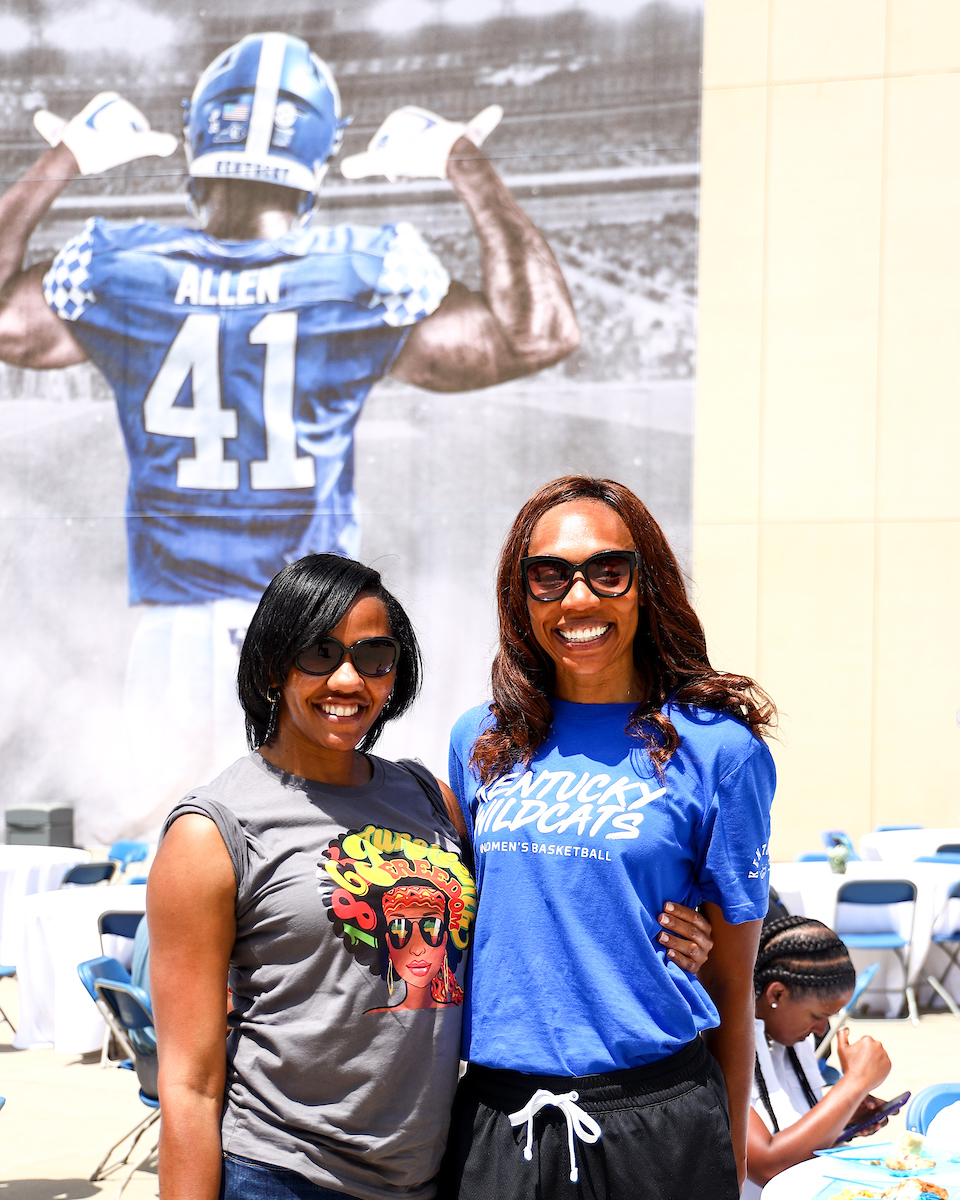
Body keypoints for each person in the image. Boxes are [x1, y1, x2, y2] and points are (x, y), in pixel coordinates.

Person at [0, 32, 580, 834]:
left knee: (175, 853)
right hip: (314, 631)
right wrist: (461, 162)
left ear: (198, 138)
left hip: (177, 628)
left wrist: (62, 159)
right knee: (311, 861)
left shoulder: (123, 264)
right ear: (318, 155)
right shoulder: (359, 268)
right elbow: (540, 332)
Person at [148, 550, 715, 1200]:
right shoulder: (211, 832)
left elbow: (528, 901)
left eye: (374, 657)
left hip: (430, 1175)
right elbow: (189, 1085)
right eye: (319, 653)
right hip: (284, 1175)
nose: (347, 680)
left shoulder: (429, 800)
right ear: (273, 666)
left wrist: (668, 934)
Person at [441, 474, 778, 1200]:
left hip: (658, 1125)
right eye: (549, 575)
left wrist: (728, 1162)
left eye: (608, 571)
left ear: (646, 585)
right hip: (500, 1119)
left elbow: (731, 982)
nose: (579, 599)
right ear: (522, 594)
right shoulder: (481, 740)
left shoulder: (719, 750)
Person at [746, 916, 893, 1198]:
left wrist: (845, 1116)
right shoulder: (722, 1047)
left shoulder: (788, 1040)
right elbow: (767, 1166)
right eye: (818, 1015)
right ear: (777, 994)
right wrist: (854, 1083)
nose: (821, 1028)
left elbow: (788, 1126)